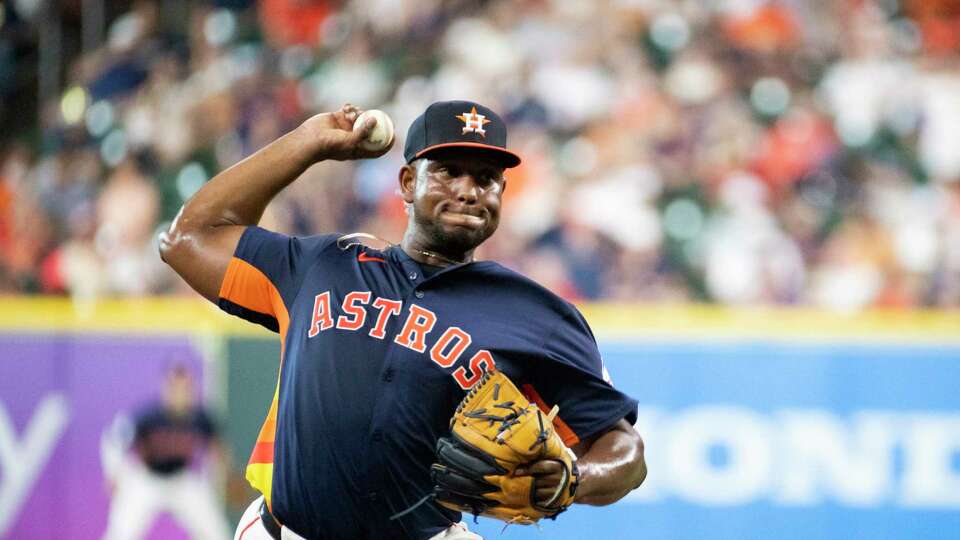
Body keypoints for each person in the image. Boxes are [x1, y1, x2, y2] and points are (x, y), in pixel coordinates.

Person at [159, 100, 647, 540]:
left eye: (485, 178)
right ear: (408, 184)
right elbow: (188, 238)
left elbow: (625, 450)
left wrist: (576, 479)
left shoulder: (536, 313)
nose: (468, 191)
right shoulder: (324, 265)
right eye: (448, 171)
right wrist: (308, 142)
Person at [102, 364, 231, 540]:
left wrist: (226, 475)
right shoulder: (149, 415)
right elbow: (114, 440)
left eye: (185, 387)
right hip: (148, 480)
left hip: (181, 480)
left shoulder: (200, 417)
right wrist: (114, 473)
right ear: (166, 389)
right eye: (175, 387)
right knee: (121, 534)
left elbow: (217, 448)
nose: (180, 393)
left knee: (216, 533)